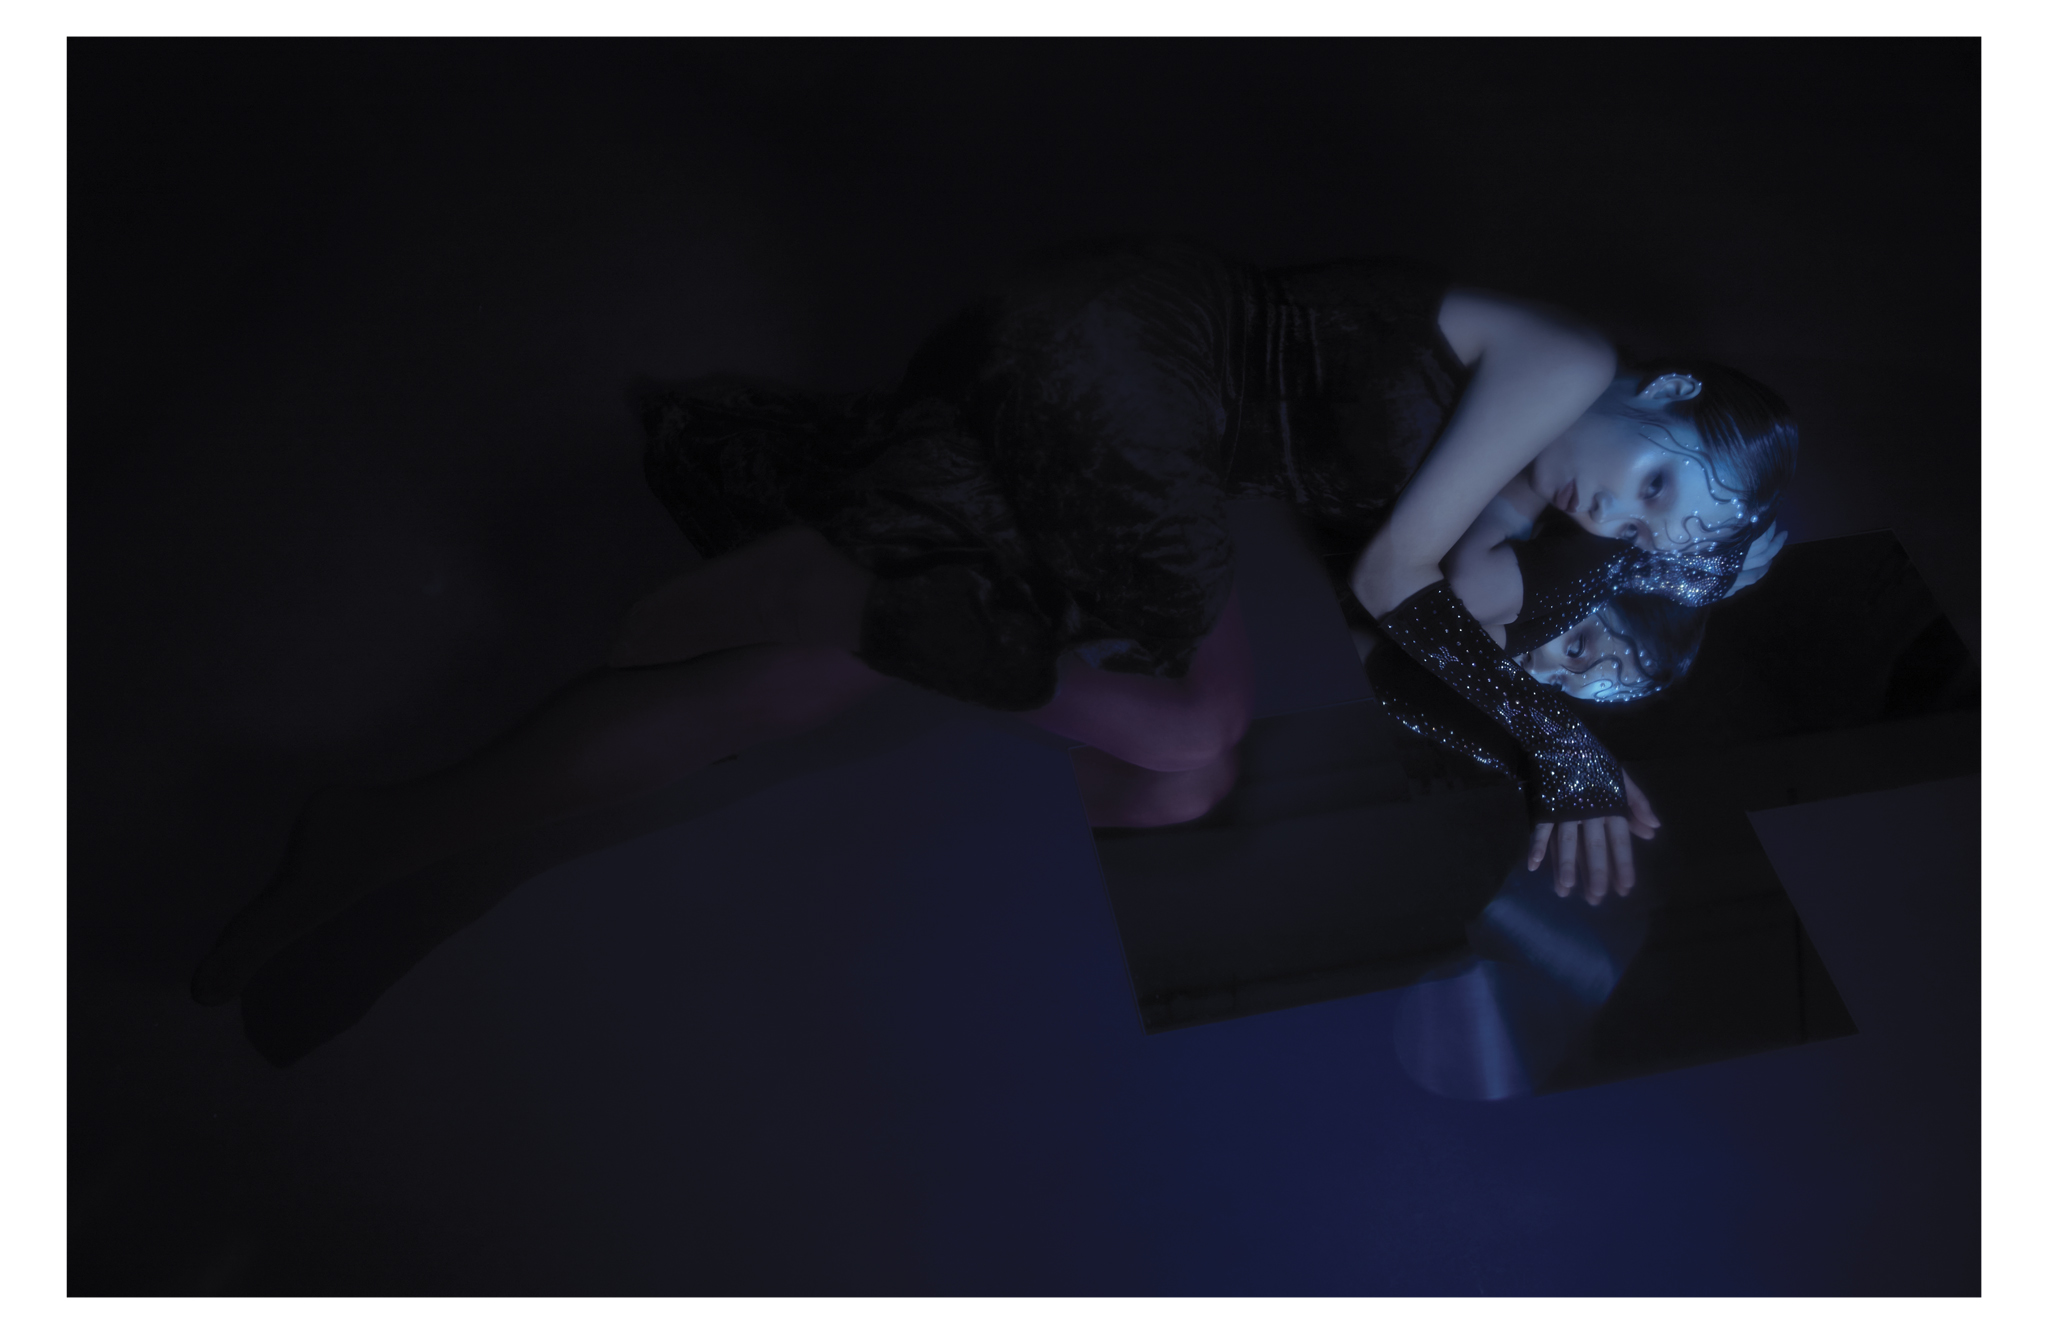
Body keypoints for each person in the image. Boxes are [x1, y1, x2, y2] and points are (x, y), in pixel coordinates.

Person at [192, 236, 1797, 1004]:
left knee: (897, 712)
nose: (1620, 512)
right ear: (1658, 395)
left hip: (1127, 437)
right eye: (1657, 478)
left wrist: (1555, 722)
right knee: (1189, 725)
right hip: (1128, 364)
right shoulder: (1567, 363)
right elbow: (1392, 586)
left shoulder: (1521, 496)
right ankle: (860, 601)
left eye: (1649, 533)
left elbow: (1408, 644)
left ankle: (387, 837)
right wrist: (1552, 744)